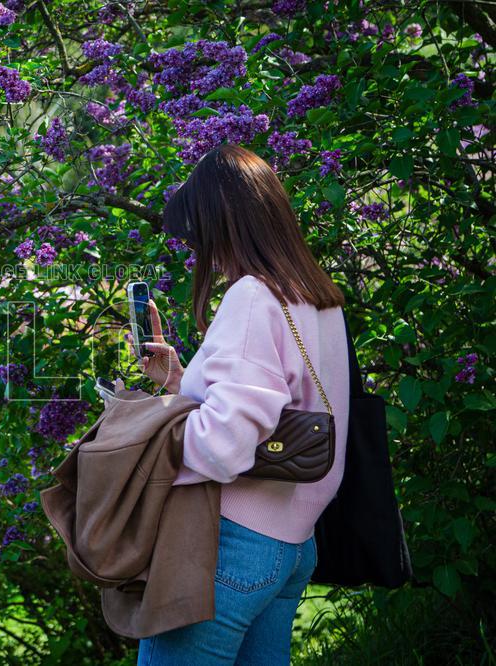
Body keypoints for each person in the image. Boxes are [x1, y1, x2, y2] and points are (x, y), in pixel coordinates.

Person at [130, 144, 350, 664]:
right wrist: (178, 381)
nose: (202, 254)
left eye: (199, 237)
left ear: (223, 226)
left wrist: (145, 439)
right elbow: (277, 405)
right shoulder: (315, 297)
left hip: (228, 545)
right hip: (291, 545)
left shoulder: (252, 296)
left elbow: (224, 447)